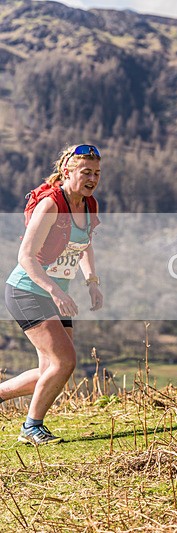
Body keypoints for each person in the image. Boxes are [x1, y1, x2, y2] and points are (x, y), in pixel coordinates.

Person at [1, 144, 103, 445]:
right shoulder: (50, 204)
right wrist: (54, 290)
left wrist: (92, 281)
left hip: (54, 293)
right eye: (86, 172)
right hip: (27, 291)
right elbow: (26, 257)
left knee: (51, 368)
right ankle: (31, 427)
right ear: (66, 171)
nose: (92, 178)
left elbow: (83, 244)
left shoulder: (88, 204)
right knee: (64, 361)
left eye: (97, 173)